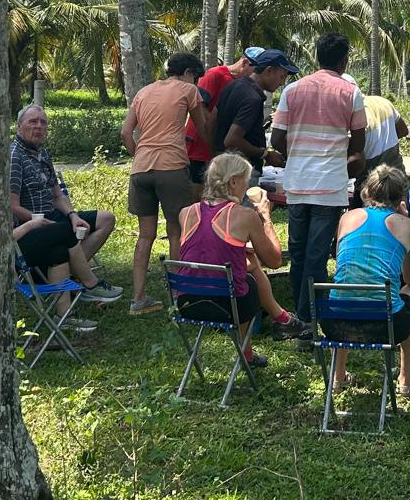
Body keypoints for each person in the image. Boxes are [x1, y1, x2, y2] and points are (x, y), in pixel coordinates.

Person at [271, 34, 366, 325]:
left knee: (299, 252)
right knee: (316, 255)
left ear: (317, 57)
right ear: (343, 60)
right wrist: (336, 156)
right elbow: (359, 143)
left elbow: (276, 137)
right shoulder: (350, 92)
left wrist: (298, 154)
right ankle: (307, 317)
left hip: (297, 182)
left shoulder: (293, 89)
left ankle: (301, 313)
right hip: (330, 184)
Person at [122, 53, 213, 315]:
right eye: (196, 77)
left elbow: (126, 133)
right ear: (187, 73)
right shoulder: (188, 90)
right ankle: (178, 295)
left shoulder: (144, 92)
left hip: (140, 170)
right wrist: (215, 155)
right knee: (176, 231)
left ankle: (138, 299)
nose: (196, 82)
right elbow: (202, 128)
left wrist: (139, 154)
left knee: (145, 235)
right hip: (172, 166)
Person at [174, 152, 284, 369]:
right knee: (247, 281)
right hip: (227, 305)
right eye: (246, 180)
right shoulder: (245, 215)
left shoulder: (185, 213)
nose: (247, 186)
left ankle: (256, 346)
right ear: (233, 181)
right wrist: (265, 216)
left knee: (246, 273)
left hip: (187, 303)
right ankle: (265, 336)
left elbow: (203, 250)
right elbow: (275, 260)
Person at [326, 165, 410, 397]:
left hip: (336, 322)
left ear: (366, 192)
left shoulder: (346, 218)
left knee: (347, 291)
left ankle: (338, 376)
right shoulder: (408, 226)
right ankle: (405, 379)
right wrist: (406, 221)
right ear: (402, 197)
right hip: (386, 324)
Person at [10, 103, 117, 265]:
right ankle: (80, 277)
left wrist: (73, 216)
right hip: (31, 222)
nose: (38, 126)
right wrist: (40, 221)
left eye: (43, 122)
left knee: (106, 219)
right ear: (19, 126)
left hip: (53, 213)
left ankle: (74, 274)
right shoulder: (14, 157)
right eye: (32, 122)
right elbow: (13, 206)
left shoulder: (43, 153)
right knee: (65, 231)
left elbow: (58, 195)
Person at [12, 202, 122, 328]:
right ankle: (91, 285)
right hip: (8, 257)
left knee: (59, 251)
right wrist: (31, 224)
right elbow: (2, 240)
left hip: (17, 246)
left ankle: (64, 316)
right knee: (64, 230)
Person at [184, 46, 265, 193]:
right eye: (257, 70)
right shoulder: (216, 75)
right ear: (245, 63)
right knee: (198, 190)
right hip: (200, 142)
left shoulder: (243, 86)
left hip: (220, 144)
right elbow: (199, 105)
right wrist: (220, 128)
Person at [212, 49, 296, 173]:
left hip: (222, 164)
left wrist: (215, 151)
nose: (281, 82)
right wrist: (265, 154)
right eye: (281, 76)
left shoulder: (233, 85)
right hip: (241, 170)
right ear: (268, 71)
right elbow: (231, 140)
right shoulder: (253, 98)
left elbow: (212, 120)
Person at [347, 74, 409, 171]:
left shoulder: (352, 114)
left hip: (370, 178)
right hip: (397, 173)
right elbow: (403, 131)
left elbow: (356, 159)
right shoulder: (382, 101)